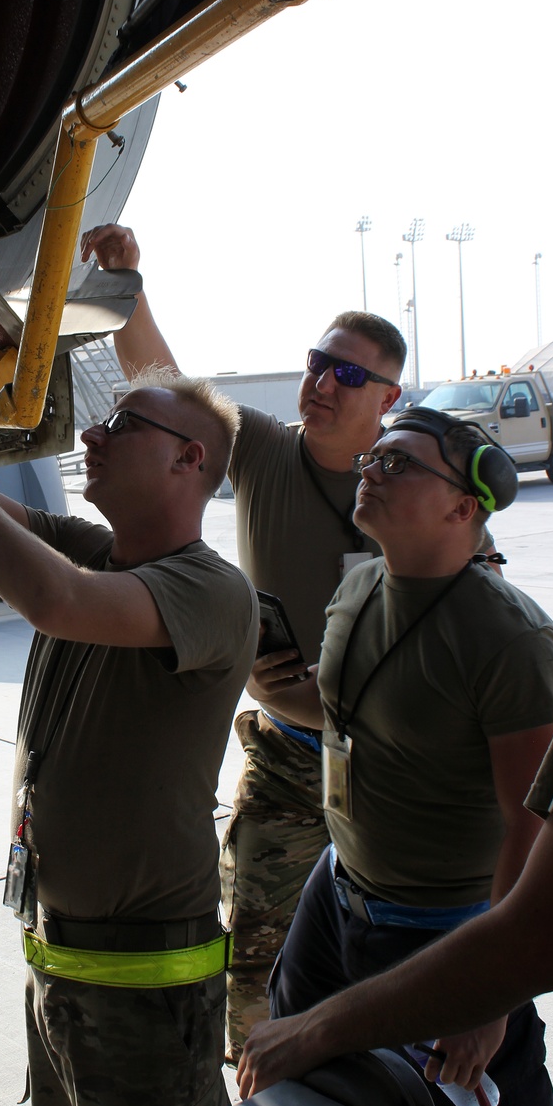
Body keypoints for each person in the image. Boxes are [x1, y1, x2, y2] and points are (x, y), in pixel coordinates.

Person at [80, 222, 405, 1060]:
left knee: (392, 967)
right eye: (313, 362)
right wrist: (129, 285)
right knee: (255, 962)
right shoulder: (263, 450)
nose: (319, 383)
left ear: (387, 398)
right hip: (292, 760)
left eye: (346, 373)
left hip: (396, 770)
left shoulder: (415, 485)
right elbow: (167, 383)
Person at [246, 406, 553, 1106]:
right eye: (372, 459)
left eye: (399, 465)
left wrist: (492, 993)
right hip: (340, 892)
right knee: (301, 1105)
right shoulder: (358, 586)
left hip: (446, 930)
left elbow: (530, 833)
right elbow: (353, 718)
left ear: (465, 508)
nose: (371, 471)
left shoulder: (512, 642)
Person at [0, 373, 258, 1106]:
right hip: (63, 965)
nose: (92, 437)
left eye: (120, 424)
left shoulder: (210, 590)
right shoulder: (101, 549)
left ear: (189, 461)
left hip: (145, 990)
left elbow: (54, 598)